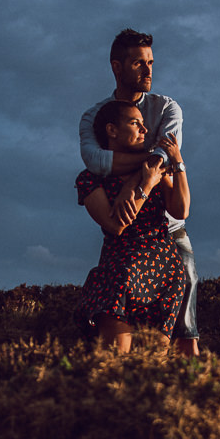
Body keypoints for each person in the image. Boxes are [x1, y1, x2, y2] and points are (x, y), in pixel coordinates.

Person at [79, 28, 201, 356]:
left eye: (150, 62)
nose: (148, 70)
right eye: (138, 63)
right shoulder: (94, 117)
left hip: (167, 242)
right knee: (115, 356)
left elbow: (164, 161)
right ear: (117, 67)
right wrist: (148, 172)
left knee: (185, 338)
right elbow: (96, 161)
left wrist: (139, 182)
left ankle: (194, 387)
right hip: (123, 258)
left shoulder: (167, 108)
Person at [76, 100, 189, 352]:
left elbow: (181, 211)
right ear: (112, 130)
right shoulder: (90, 179)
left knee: (152, 366)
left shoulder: (152, 168)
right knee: (115, 361)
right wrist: (146, 186)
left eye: (143, 124)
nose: (144, 130)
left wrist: (177, 162)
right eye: (135, 123)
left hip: (165, 272)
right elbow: (115, 226)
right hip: (119, 272)